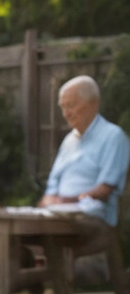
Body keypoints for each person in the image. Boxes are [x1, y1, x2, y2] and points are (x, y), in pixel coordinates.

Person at [39, 75, 129, 226]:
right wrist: (48, 200)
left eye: (71, 105)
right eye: (63, 107)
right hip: (59, 214)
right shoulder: (69, 141)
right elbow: (52, 184)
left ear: (93, 104)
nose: (65, 113)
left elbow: (105, 189)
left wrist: (67, 201)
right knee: (19, 233)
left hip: (94, 219)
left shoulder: (113, 136)